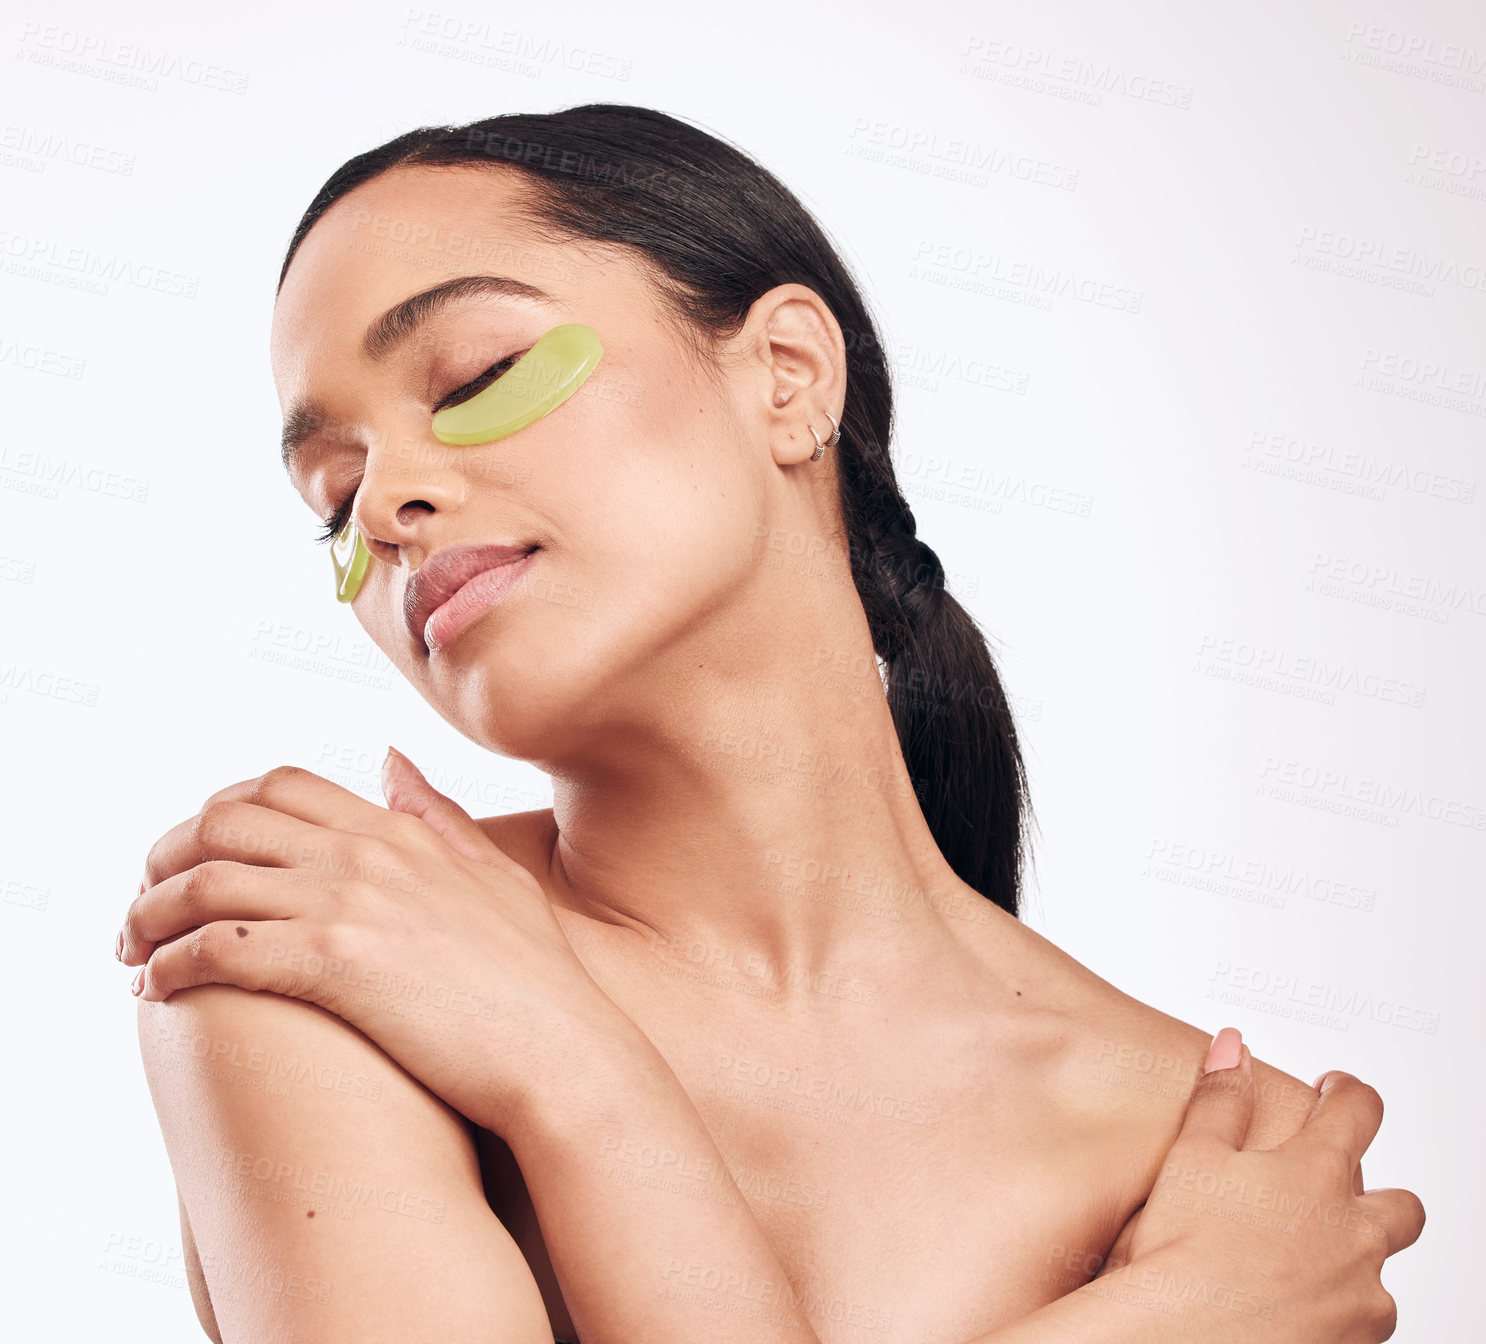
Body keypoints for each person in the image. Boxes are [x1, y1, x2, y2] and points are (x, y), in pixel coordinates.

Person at [122, 104, 1424, 1344]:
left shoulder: (1228, 1153)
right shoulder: (318, 941)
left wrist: (562, 1070)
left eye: (478, 374)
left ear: (787, 377)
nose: (386, 501)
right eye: (332, 493)